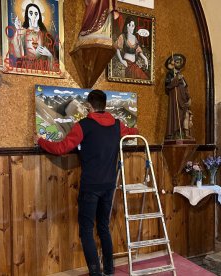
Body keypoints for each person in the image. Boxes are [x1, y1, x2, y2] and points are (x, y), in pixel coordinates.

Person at [36, 90, 138, 276]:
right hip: (109, 185)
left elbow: (61, 148)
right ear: (104, 105)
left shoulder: (83, 125)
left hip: (90, 186)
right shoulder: (117, 125)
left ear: (90, 106)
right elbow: (134, 132)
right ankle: (109, 269)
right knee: (103, 227)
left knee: (85, 231)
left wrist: (40, 141)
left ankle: (95, 273)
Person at [10, 3, 53, 68]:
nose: (34, 16)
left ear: (39, 16)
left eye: (36, 13)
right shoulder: (22, 32)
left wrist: (49, 55)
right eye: (31, 13)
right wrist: (18, 31)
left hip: (41, 68)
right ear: (27, 15)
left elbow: (53, 57)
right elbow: (17, 54)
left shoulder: (45, 34)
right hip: (26, 67)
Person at [164, 53, 192, 140]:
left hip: (182, 99)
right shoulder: (170, 74)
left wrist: (189, 98)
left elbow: (185, 87)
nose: (178, 63)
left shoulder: (182, 76)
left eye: (180, 62)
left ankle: (184, 133)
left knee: (185, 116)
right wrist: (176, 79)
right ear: (173, 63)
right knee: (176, 115)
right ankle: (175, 132)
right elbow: (168, 85)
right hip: (175, 99)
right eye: (176, 61)